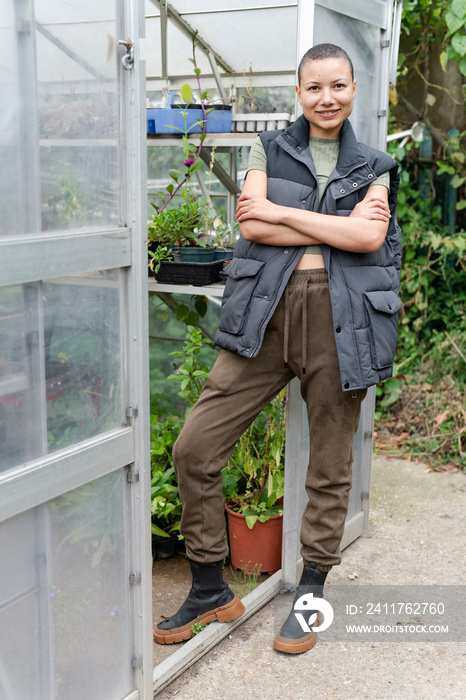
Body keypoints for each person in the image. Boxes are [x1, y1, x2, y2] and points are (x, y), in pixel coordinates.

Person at [153, 43, 402, 654]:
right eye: (314, 88)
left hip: (342, 317)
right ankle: (211, 587)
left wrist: (287, 212)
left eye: (338, 86)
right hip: (263, 311)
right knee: (195, 448)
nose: (327, 98)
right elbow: (252, 226)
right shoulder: (269, 148)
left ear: (352, 89)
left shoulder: (376, 162)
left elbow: (370, 238)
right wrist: (333, 224)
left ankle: (311, 595)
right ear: (298, 92)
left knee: (329, 465)